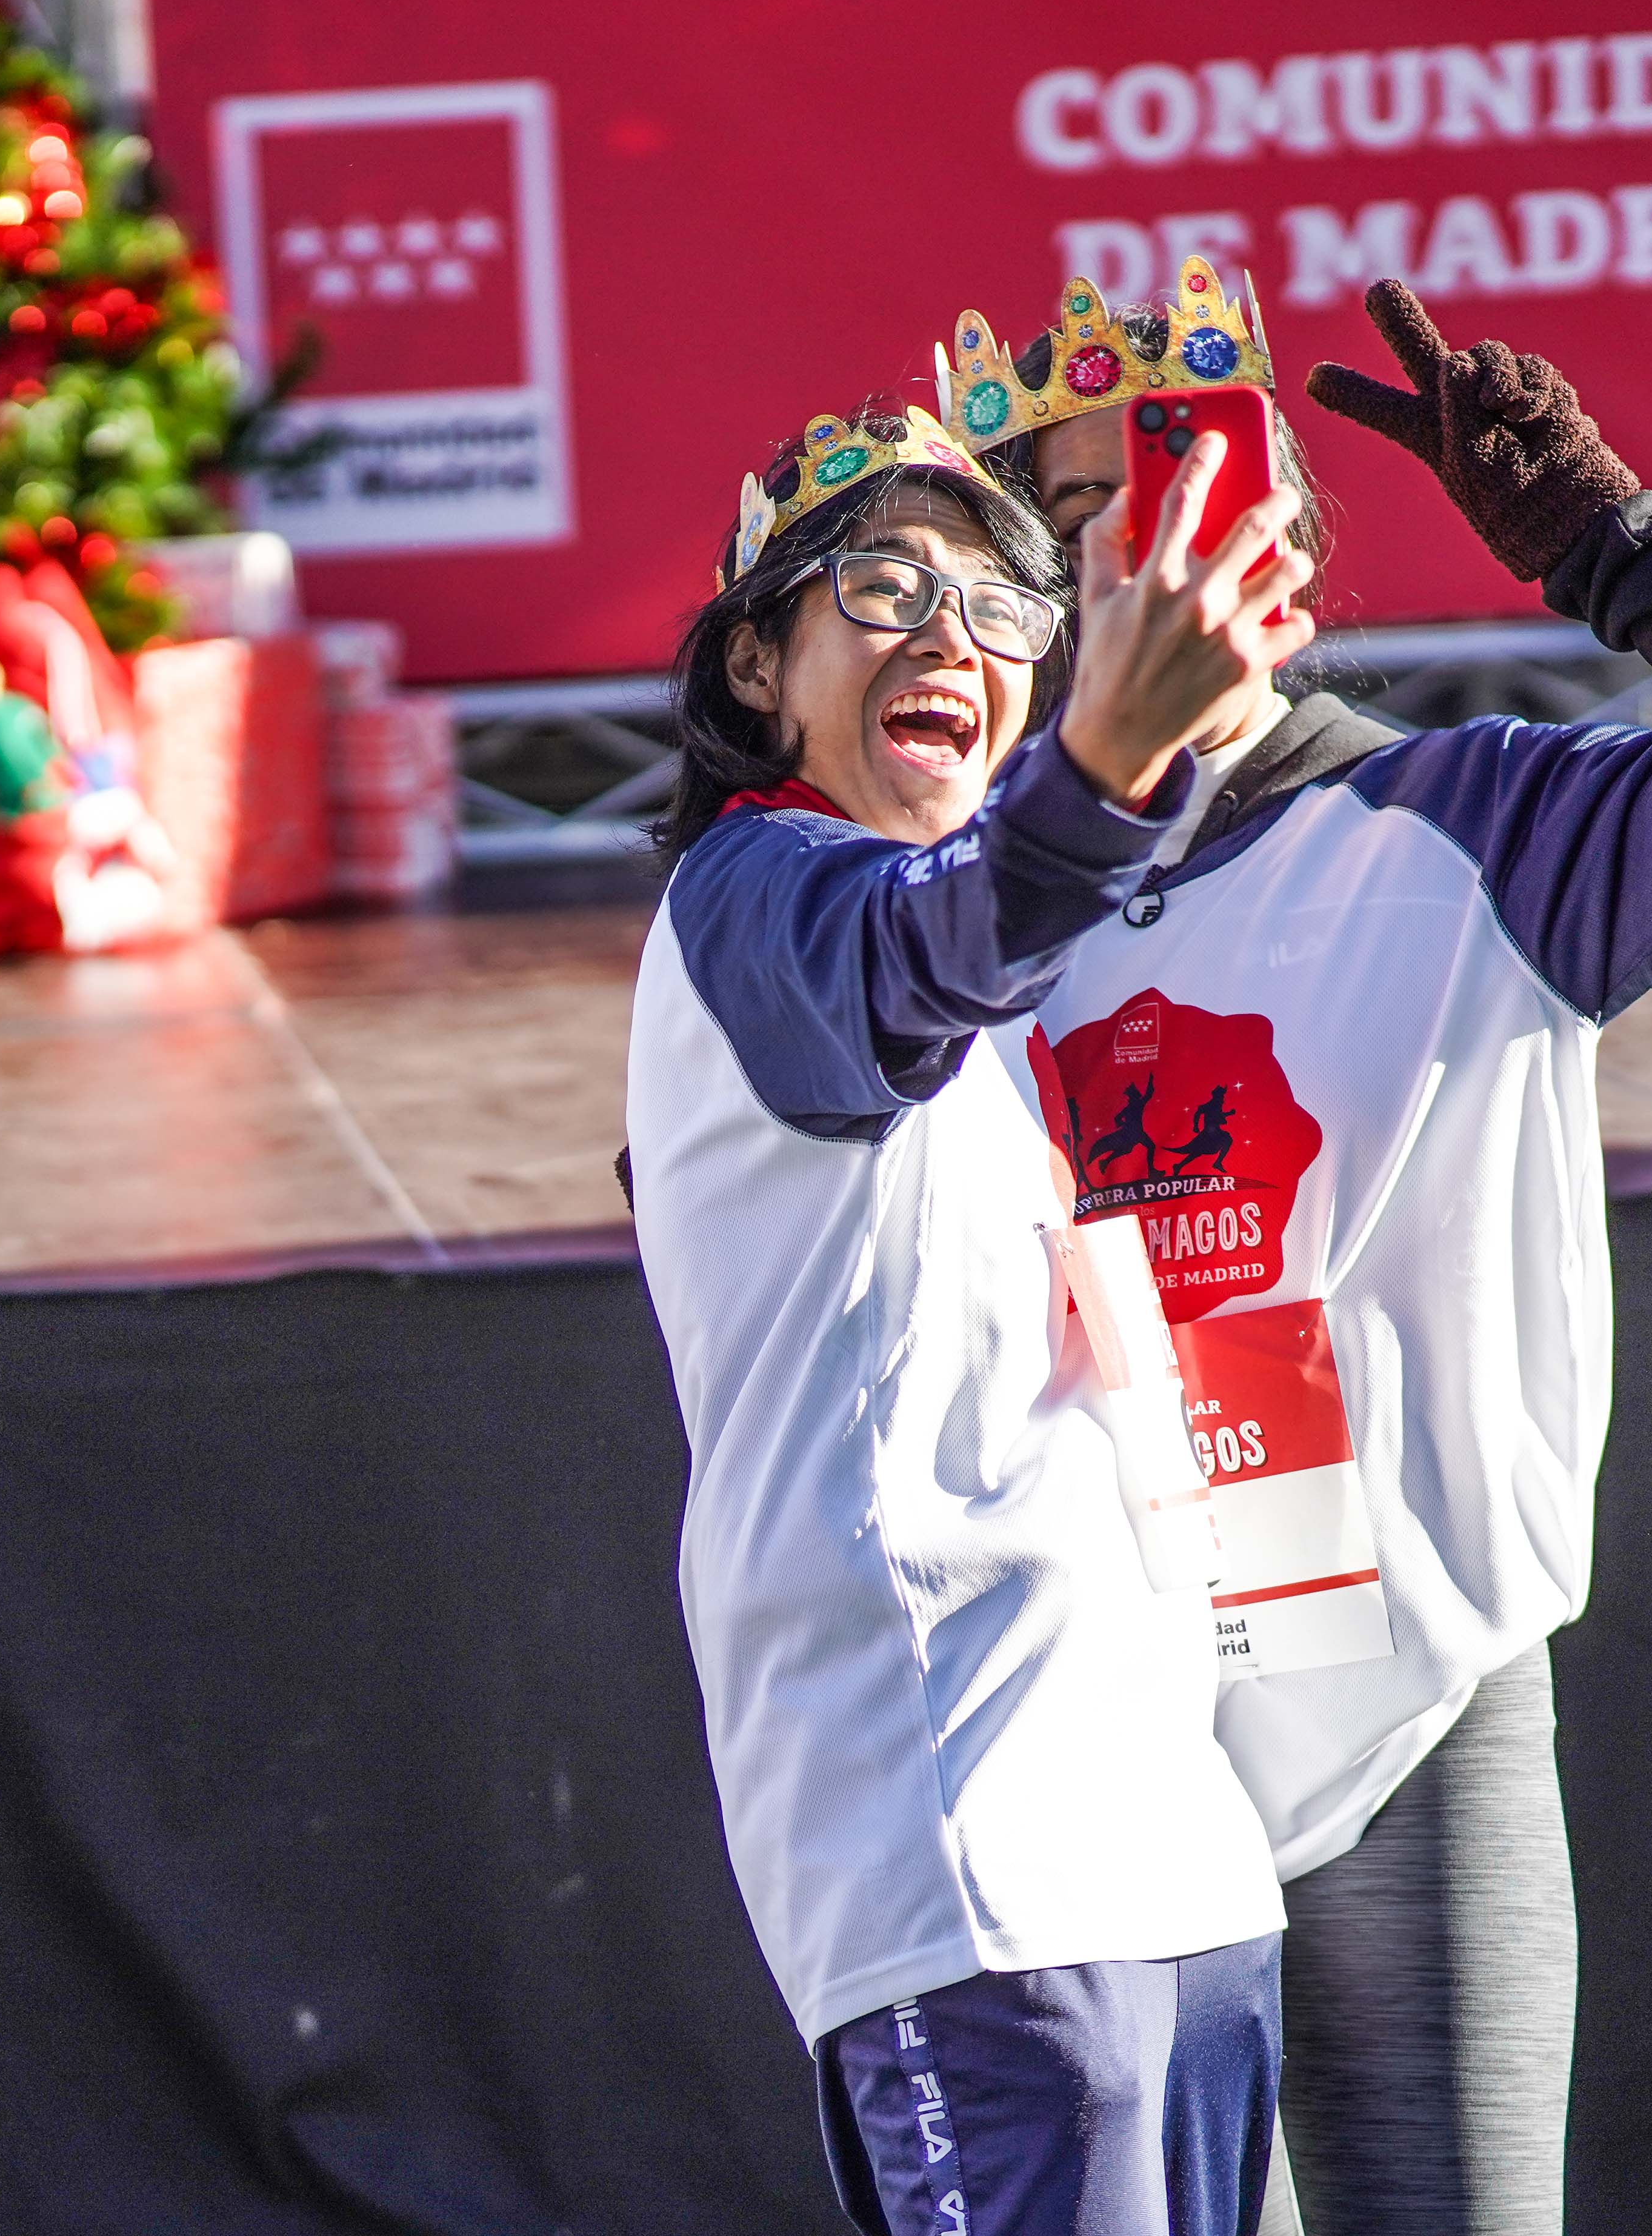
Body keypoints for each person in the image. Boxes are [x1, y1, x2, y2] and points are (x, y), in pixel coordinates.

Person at [947, 270, 1652, 2236]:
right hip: (1103, 1715)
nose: (1104, 562)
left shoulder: (1464, 821)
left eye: (1149, 490)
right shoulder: (970, 910)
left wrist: (1609, 545)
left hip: (1408, 1702)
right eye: (1051, 528)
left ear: (1275, 536)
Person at [626, 398, 1317, 2235]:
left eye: (1007, 607)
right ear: (763, 669)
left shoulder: (1015, 988)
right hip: (965, 1869)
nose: (953, 634)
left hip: (1177, 1860)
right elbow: (934, 936)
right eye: (882, 586)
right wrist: (1099, 760)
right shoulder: (755, 902)